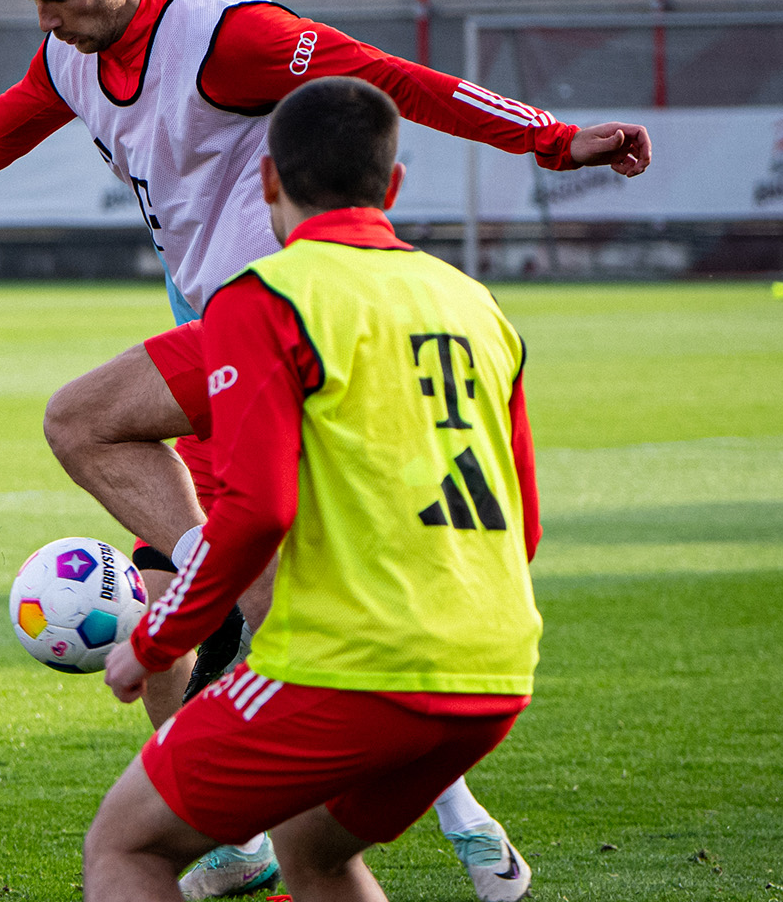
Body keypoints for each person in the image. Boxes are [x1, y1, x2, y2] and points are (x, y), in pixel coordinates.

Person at [0, 0, 639, 900]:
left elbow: (383, 76)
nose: (45, 19)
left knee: (87, 426)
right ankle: (293, 744)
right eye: (33, 0)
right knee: (311, 800)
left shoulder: (226, 35)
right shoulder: (69, 58)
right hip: (231, 333)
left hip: (280, 321)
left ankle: (233, 670)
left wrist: (550, 138)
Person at [75, 76, 545, 902]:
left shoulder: (265, 299)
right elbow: (523, 526)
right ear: (392, 187)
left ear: (267, 183)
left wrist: (153, 645)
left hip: (354, 666)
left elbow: (257, 509)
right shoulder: (475, 303)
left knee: (126, 847)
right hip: (496, 664)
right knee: (314, 847)